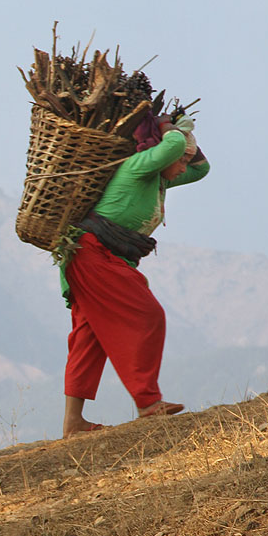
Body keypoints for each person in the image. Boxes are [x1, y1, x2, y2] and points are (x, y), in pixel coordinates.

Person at [60, 116, 210, 437]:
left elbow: (202, 169)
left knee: (88, 338)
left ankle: (73, 423)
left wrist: (183, 137)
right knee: (147, 316)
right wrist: (167, 125)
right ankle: (148, 402)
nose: (183, 167)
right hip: (93, 254)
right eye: (180, 159)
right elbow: (174, 145)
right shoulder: (139, 166)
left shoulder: (160, 179)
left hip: (101, 258)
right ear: (166, 153)